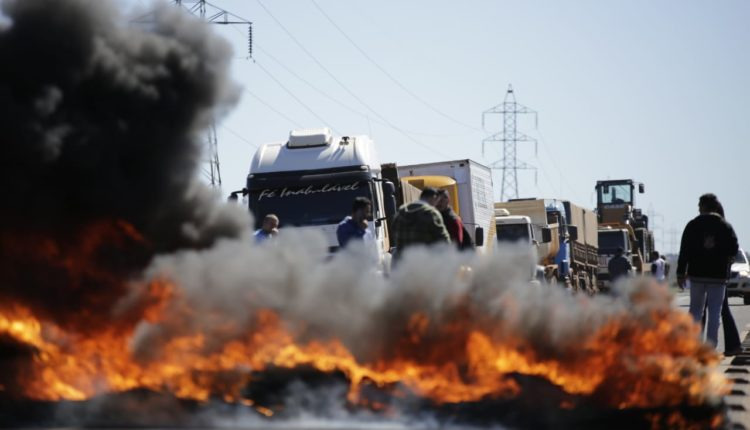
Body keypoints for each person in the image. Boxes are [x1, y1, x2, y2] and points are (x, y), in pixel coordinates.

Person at [677, 193, 739, 348]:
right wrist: (727, 258)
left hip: (697, 276)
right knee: (715, 314)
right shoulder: (725, 225)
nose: (698, 208)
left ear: (704, 206)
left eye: (699, 205)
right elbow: (734, 248)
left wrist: (680, 273)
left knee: (695, 312)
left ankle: (695, 347)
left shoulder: (693, 225)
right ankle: (710, 349)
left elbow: (684, 251)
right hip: (718, 278)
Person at [698, 201, 743, 355]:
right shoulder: (723, 228)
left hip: (711, 276)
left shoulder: (714, 229)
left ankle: (700, 348)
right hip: (717, 276)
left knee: (703, 310)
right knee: (720, 309)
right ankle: (733, 345)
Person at [391, 187, 450, 259]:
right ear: (433, 198)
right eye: (436, 201)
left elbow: (394, 232)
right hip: (423, 263)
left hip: (403, 263)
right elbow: (444, 240)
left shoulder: (401, 212)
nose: (436, 205)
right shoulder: (431, 213)